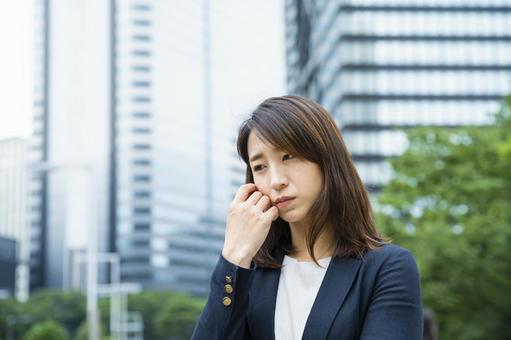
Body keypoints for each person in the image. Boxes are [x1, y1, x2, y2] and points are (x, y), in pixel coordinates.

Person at [191, 96, 423, 340]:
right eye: (260, 167)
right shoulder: (249, 274)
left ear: (326, 158)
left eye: (288, 156)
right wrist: (234, 255)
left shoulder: (387, 268)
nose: (276, 180)